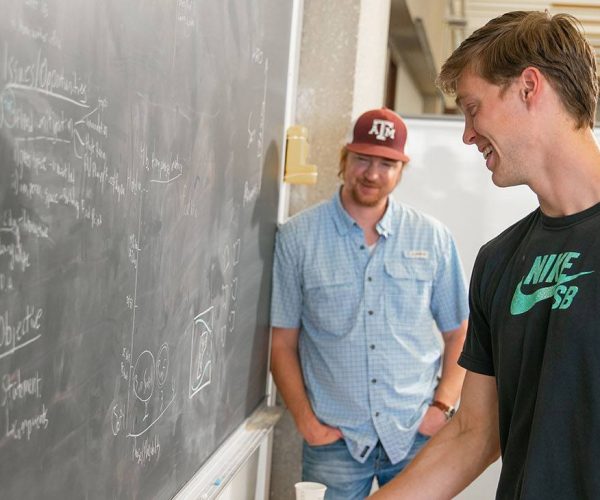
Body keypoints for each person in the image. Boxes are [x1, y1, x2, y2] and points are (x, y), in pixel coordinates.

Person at [371, 10, 600, 500]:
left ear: (528, 87)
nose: (467, 134)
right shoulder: (499, 260)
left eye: (472, 108)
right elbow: (475, 432)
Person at [270, 107, 469, 499]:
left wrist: (443, 407)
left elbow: (459, 333)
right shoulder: (297, 239)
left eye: (386, 163)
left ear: (401, 170)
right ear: (345, 160)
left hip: (415, 436)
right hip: (335, 442)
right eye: (363, 159)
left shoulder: (433, 239)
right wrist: (306, 422)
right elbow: (281, 343)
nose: (372, 174)